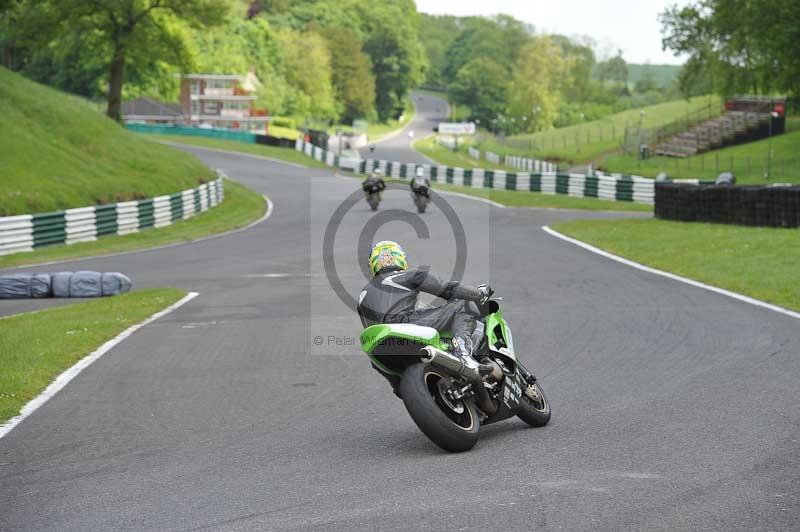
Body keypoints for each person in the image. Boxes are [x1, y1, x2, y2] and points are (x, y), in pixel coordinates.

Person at [357, 240, 493, 364]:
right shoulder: (409, 275)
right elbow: (448, 289)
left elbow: (369, 328)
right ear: (400, 258)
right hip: (404, 325)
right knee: (462, 306)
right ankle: (463, 353)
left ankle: (401, 388)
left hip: (380, 344)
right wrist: (479, 293)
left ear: (373, 264)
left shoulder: (363, 295)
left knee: (386, 372)